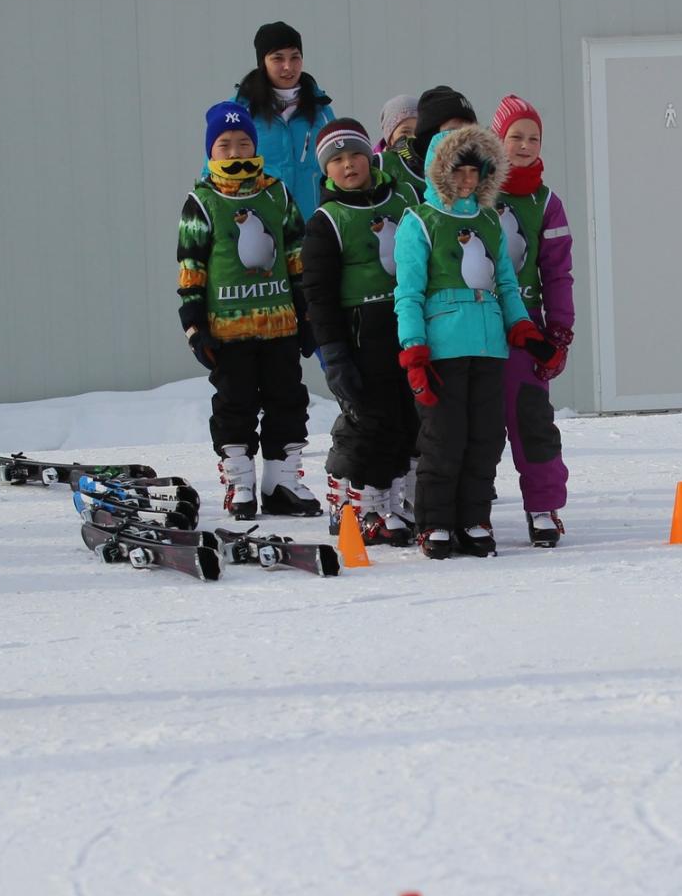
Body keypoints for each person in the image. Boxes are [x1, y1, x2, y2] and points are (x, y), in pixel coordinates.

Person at [392, 124, 554, 558]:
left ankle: (473, 517)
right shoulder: (420, 221)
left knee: (485, 437)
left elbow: (505, 281)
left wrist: (522, 328)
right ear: (440, 170)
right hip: (443, 348)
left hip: (489, 346)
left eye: (476, 173)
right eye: (459, 172)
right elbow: (407, 292)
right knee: (444, 437)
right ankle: (436, 522)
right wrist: (414, 350)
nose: (467, 181)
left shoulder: (488, 219)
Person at [178, 100, 318, 519]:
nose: (236, 153)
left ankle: (281, 481)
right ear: (211, 152)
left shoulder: (276, 193)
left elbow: (296, 255)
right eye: (226, 145)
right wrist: (193, 325)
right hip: (228, 330)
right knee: (234, 405)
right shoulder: (201, 201)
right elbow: (191, 267)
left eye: (243, 143)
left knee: (287, 401)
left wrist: (307, 313)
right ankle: (240, 482)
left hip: (279, 326)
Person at [301, 116, 420, 545]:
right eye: (336, 160)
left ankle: (393, 504)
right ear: (326, 171)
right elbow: (317, 294)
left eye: (355, 154)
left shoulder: (403, 199)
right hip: (359, 333)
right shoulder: (327, 220)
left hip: (407, 325)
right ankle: (361, 506)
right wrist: (332, 352)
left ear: (371, 156)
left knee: (408, 417)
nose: (348, 165)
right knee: (373, 417)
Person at [491, 94, 577, 546]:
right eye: (515, 137)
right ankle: (470, 509)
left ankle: (543, 507)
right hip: (477, 329)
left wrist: (559, 332)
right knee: (477, 426)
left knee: (531, 421)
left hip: (527, 331)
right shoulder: (476, 193)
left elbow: (557, 272)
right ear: (497, 139)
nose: (524, 145)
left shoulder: (546, 203)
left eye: (533, 138)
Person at [236, 21, 335, 221]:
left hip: (311, 227)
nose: (288, 67)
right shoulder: (241, 111)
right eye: (278, 58)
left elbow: (336, 169)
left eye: (295, 57)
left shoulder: (321, 110)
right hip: (260, 226)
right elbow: (214, 170)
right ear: (263, 62)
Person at [376, 94, 422, 192]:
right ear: (390, 137)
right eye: (405, 132)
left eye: (418, 132)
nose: (413, 137)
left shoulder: (431, 163)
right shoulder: (377, 166)